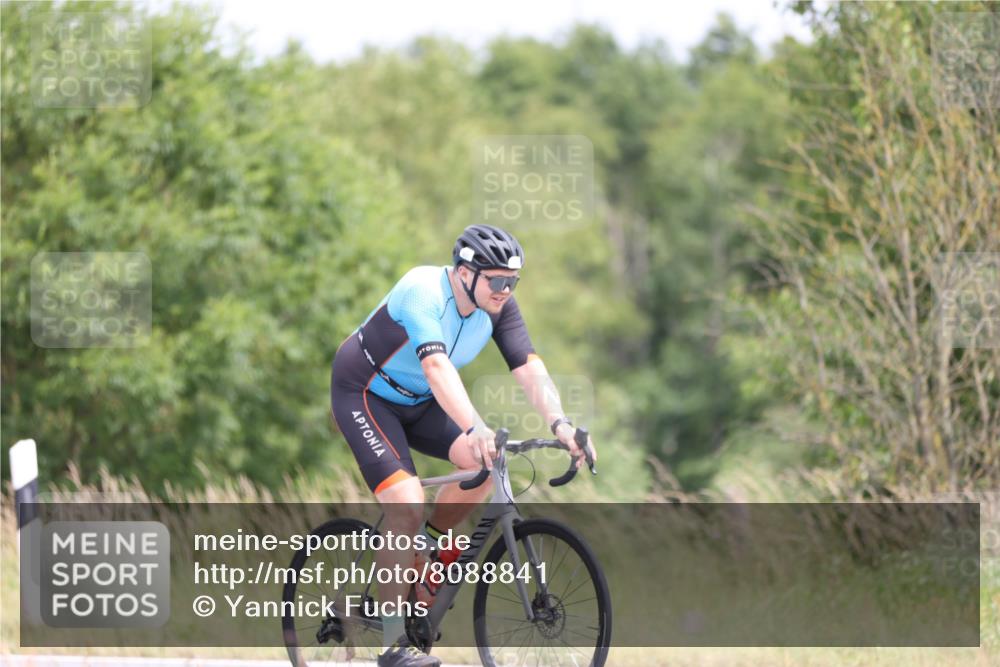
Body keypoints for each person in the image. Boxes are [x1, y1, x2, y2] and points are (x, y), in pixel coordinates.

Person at [330, 224, 596, 667]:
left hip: (417, 402)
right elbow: (435, 367)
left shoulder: (498, 306)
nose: (506, 290)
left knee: (485, 466)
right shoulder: (422, 291)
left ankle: (426, 553)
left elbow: (529, 367)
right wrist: (475, 426)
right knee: (407, 503)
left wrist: (562, 424)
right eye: (497, 280)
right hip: (365, 391)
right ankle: (394, 645)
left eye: (513, 281)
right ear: (465, 272)